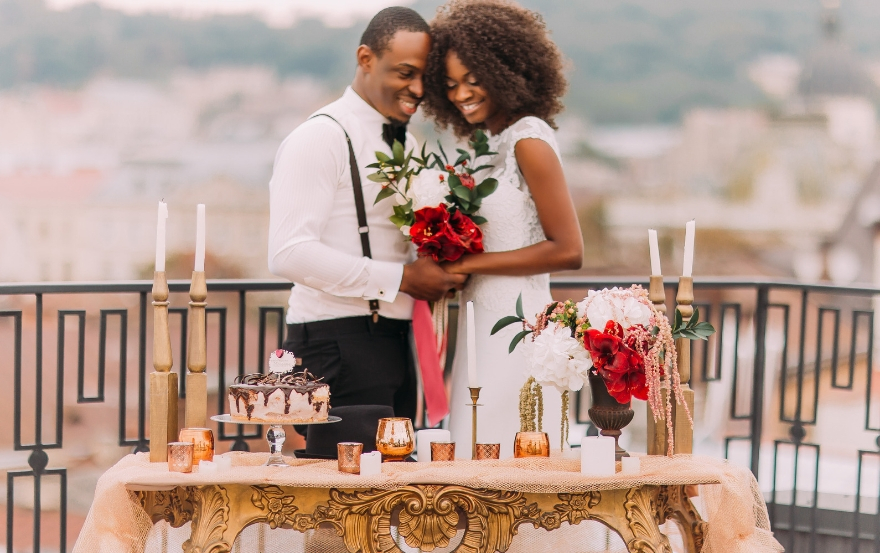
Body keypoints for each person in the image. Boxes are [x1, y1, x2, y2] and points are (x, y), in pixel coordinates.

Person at [268, 7, 467, 425]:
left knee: (396, 483)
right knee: (345, 486)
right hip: (336, 341)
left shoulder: (409, 143)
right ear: (365, 59)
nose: (417, 88)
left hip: (394, 340)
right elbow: (289, 253)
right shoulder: (320, 136)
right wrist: (403, 279)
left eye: (424, 78)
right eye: (404, 73)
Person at [421, 0, 583, 457]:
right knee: (473, 452)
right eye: (450, 84)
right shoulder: (483, 144)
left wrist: (469, 262)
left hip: (517, 328)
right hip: (477, 324)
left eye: (474, 80)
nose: (461, 94)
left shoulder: (528, 140)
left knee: (511, 454)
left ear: (508, 70)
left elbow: (569, 250)